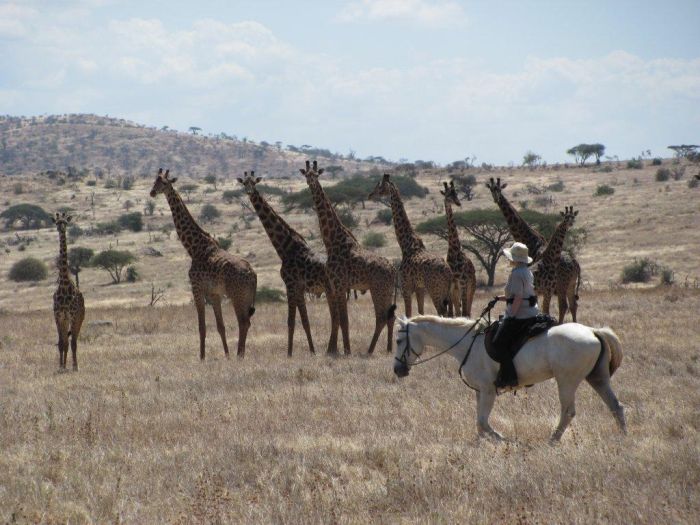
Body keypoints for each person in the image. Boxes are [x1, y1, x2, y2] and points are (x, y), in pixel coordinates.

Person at [492, 242, 539, 390]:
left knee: (498, 343)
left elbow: (518, 297)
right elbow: (522, 295)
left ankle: (510, 378)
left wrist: (511, 316)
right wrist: (502, 298)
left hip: (520, 314)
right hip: (531, 311)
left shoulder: (517, 273)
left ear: (515, 259)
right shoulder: (526, 271)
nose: (508, 259)